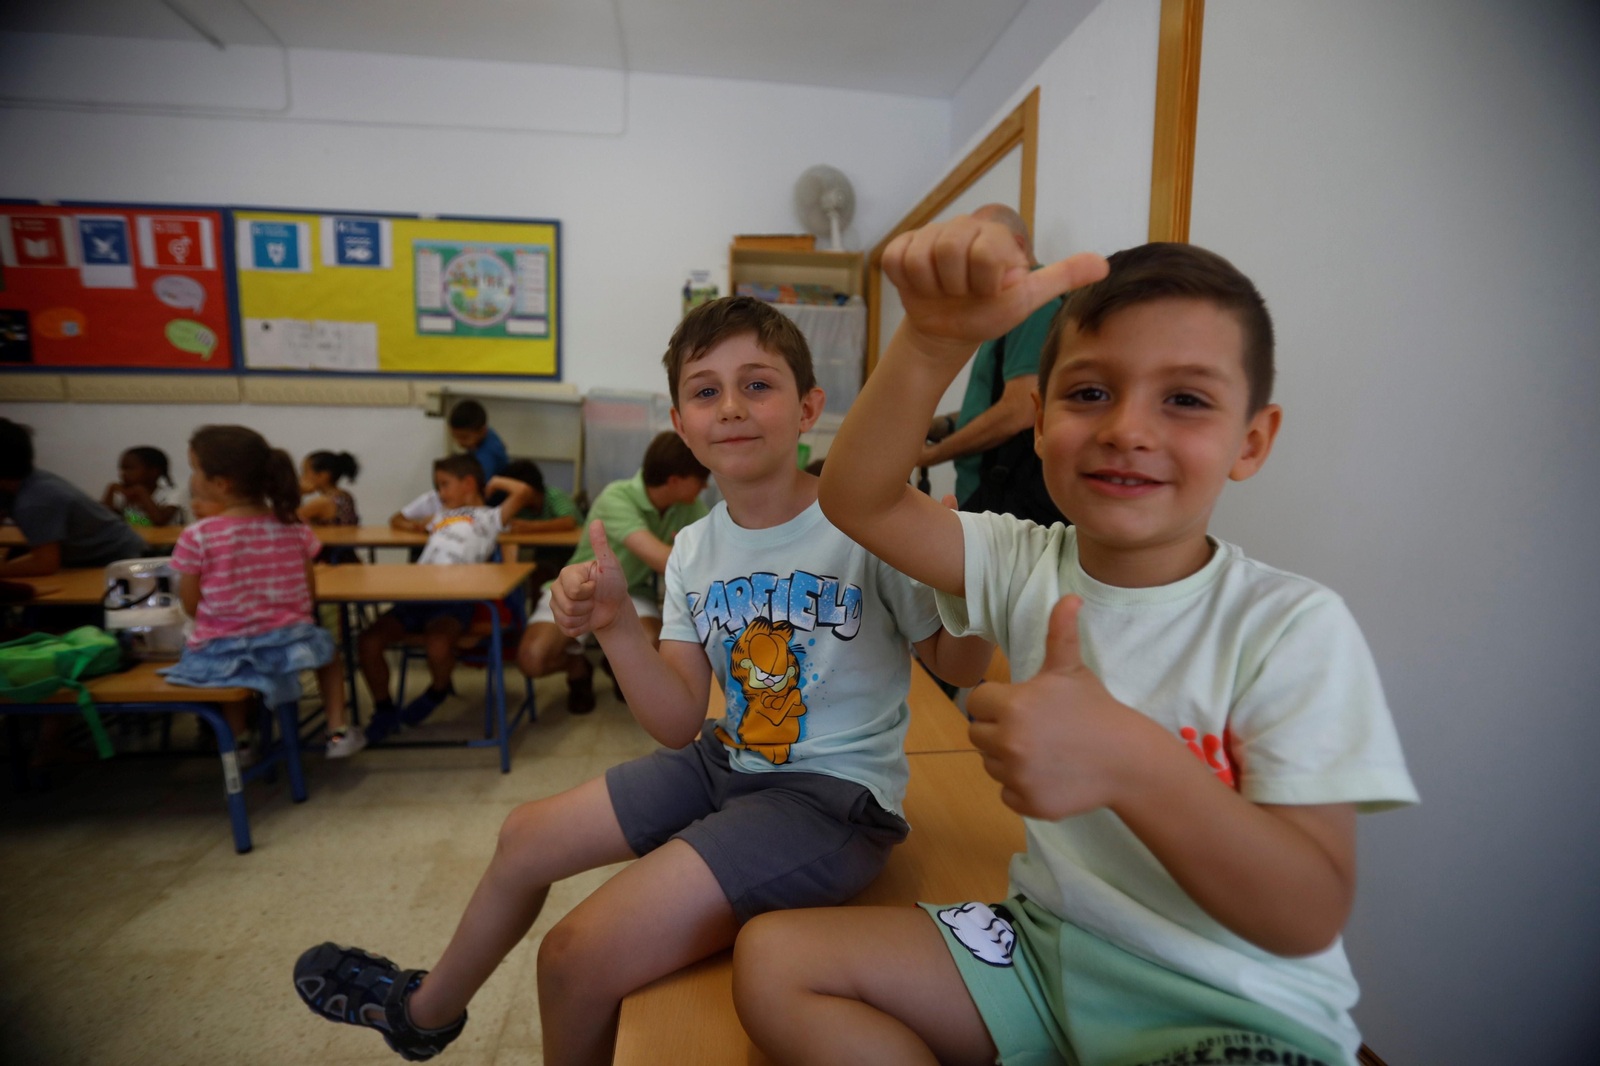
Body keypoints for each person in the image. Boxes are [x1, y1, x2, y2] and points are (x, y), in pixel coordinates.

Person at [732, 222, 1419, 1066]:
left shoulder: (1293, 625)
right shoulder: (1025, 562)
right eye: (1090, 392)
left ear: (1252, 440)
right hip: (1050, 950)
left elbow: (1306, 913)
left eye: (1186, 399)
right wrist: (931, 342)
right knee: (775, 961)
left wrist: (1131, 759)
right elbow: (858, 498)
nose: (1127, 427)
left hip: (1230, 1010)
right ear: (1039, 419)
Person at [291, 295, 994, 1065]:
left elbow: (958, 666)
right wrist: (617, 625)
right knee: (524, 836)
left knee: (572, 955)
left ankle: (427, 1013)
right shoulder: (692, 549)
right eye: (706, 391)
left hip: (832, 799)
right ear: (682, 425)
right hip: (727, 757)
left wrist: (965, 578)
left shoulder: (866, 520)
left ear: (808, 408)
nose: (731, 407)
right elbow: (676, 719)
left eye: (758, 384)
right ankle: (424, 1013)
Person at [162, 426, 361, 760]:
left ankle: (239, 741)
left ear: (221, 484)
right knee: (329, 655)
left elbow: (192, 605)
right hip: (290, 641)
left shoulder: (197, 535)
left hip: (225, 645)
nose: (192, 479)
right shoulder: (294, 526)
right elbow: (308, 595)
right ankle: (337, 731)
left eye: (195, 469)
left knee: (228, 666)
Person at [516, 431, 709, 714]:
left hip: (633, 592)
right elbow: (663, 559)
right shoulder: (616, 497)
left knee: (657, 650)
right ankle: (578, 666)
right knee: (532, 658)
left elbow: (710, 553)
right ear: (675, 481)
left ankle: (616, 662)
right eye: (701, 479)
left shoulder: (689, 505)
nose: (705, 486)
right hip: (581, 586)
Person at [358, 456, 536, 743]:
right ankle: (384, 710)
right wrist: (413, 526)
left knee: (438, 644)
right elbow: (400, 520)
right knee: (368, 641)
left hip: (456, 597)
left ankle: (438, 690)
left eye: (445, 484)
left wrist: (494, 482)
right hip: (417, 594)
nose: (440, 493)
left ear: (468, 483)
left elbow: (524, 492)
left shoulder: (491, 517)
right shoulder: (440, 515)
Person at [920, 203, 1067, 526]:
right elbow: (998, 400)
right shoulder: (1006, 309)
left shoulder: (1034, 306)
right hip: (989, 488)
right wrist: (946, 424)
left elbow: (1019, 410)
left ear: (1017, 246)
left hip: (1002, 495)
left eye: (979, 248)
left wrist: (933, 455)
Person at [0, 418, 147, 578]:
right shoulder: (19, 484)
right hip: (80, 557)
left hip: (117, 559)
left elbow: (45, 564)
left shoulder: (36, 498)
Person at [102, 446, 185, 527]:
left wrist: (141, 493)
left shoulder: (173, 494)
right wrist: (110, 491)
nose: (123, 474)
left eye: (129, 469)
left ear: (153, 471)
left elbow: (159, 521)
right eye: (122, 469)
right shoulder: (123, 495)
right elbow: (103, 521)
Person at [498, 458, 582, 535]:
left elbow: (569, 522)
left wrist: (530, 526)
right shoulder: (520, 507)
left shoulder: (553, 495)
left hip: (571, 544)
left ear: (529, 490)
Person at [447, 399, 509, 482]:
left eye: (464, 437)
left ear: (482, 431)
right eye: (454, 436)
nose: (458, 442)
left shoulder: (488, 454)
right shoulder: (481, 436)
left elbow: (480, 483)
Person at [297, 450, 360, 526]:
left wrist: (299, 493)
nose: (302, 477)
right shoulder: (345, 495)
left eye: (305, 472)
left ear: (323, 475)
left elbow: (287, 520)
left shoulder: (322, 502)